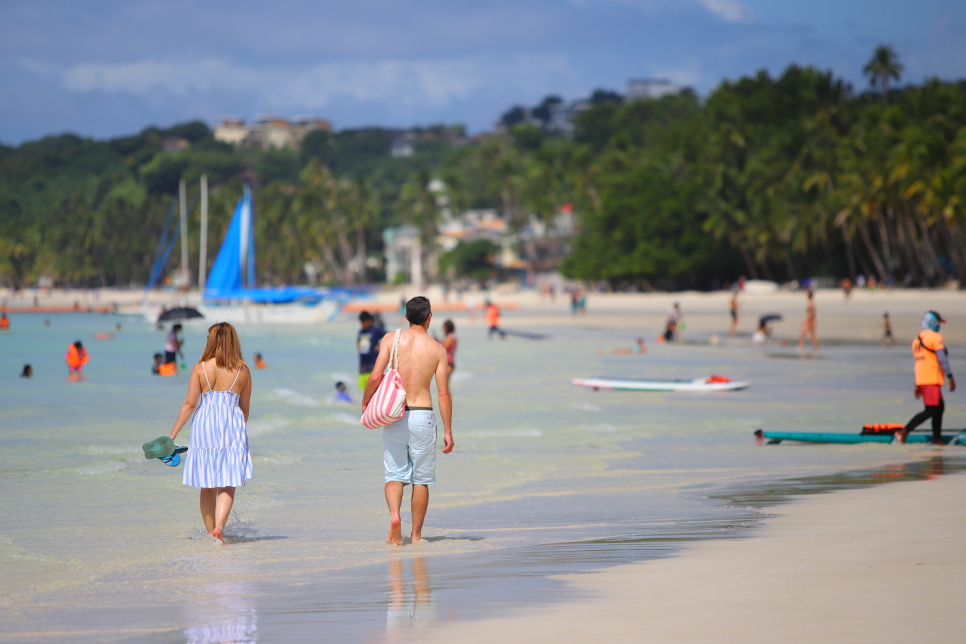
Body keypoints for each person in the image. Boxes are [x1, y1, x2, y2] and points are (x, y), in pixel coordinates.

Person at [362, 296, 454, 545]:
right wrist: (447, 431)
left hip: (395, 414)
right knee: (421, 479)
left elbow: (374, 377)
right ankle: (415, 536)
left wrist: (366, 402)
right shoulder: (437, 349)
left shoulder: (391, 339)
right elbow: (443, 393)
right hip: (423, 415)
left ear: (405, 317)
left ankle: (394, 517)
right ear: (429, 317)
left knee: (394, 474)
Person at [168, 322, 253, 545]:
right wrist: (236, 430)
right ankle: (219, 527)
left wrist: (172, 435)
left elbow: (189, 404)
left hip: (205, 424)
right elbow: (244, 409)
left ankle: (214, 537)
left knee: (207, 485)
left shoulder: (201, 368)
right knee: (228, 483)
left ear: (213, 340)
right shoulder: (243, 371)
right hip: (232, 424)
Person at [897, 311, 956, 445]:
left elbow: (916, 364)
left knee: (939, 408)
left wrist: (916, 384)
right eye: (939, 323)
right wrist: (950, 376)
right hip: (930, 379)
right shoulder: (935, 337)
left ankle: (937, 438)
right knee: (931, 409)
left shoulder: (916, 340)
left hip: (923, 379)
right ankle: (904, 432)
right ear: (933, 323)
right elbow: (942, 357)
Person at [357, 311, 386, 391]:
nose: (363, 324)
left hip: (373, 362)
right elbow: (358, 341)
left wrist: (380, 345)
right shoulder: (361, 331)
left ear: (369, 321)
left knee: (373, 387)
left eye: (364, 321)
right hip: (363, 362)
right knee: (363, 388)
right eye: (361, 322)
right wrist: (358, 350)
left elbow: (388, 335)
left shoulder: (375, 330)